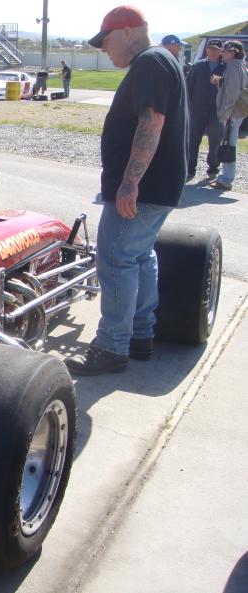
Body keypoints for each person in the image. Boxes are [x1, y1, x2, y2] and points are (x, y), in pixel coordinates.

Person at [65, 5, 187, 375]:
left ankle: (111, 347)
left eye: (106, 40)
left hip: (143, 189)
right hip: (156, 187)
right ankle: (139, 335)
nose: (104, 48)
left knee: (116, 259)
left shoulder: (150, 63)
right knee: (139, 257)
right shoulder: (159, 61)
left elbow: (152, 122)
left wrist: (130, 184)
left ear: (129, 32)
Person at [186, 39, 225, 182]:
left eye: (215, 49)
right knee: (193, 140)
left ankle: (213, 170)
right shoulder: (198, 66)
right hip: (197, 110)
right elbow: (188, 86)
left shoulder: (226, 66)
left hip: (217, 111)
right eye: (210, 48)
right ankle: (190, 169)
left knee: (215, 142)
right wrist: (187, 107)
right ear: (206, 49)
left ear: (221, 51)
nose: (212, 51)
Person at [211, 40, 247, 192]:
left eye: (225, 51)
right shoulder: (240, 65)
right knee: (229, 144)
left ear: (233, 52)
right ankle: (226, 177)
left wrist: (226, 112)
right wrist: (221, 81)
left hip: (232, 112)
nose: (222, 54)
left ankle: (226, 179)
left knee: (229, 145)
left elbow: (232, 93)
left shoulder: (233, 67)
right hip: (237, 111)